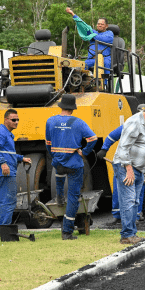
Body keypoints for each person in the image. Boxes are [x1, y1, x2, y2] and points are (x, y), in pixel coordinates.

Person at [45, 95, 98, 240]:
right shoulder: (78, 122)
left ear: (61, 106)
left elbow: (48, 143)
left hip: (59, 162)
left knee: (60, 177)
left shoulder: (50, 121)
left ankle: (60, 198)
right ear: (73, 109)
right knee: (73, 197)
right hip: (74, 163)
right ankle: (67, 232)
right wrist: (84, 152)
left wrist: (54, 155)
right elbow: (93, 139)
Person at [114, 105, 145, 245]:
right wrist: (128, 168)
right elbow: (123, 147)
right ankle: (127, 235)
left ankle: (132, 233)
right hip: (126, 166)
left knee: (135, 201)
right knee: (128, 201)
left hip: (139, 168)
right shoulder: (134, 123)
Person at [0, 109, 32, 235]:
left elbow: (8, 153)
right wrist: (3, 163)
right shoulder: (1, 132)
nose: (16, 122)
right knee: (8, 202)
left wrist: (21, 158)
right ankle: (5, 231)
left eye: (18, 119)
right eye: (14, 120)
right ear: (6, 119)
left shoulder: (6, 133)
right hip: (5, 173)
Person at [66, 7, 114, 73]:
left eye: (102, 24)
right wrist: (73, 14)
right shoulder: (93, 32)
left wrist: (93, 35)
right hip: (92, 59)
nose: (99, 25)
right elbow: (84, 26)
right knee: (80, 66)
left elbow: (104, 39)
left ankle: (104, 83)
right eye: (98, 24)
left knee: (106, 64)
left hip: (104, 58)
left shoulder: (109, 33)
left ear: (106, 26)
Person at [96, 125, 124, 225]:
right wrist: (104, 149)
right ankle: (117, 216)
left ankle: (135, 216)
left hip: (136, 165)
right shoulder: (130, 124)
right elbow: (112, 136)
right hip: (121, 163)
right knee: (117, 190)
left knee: (133, 192)